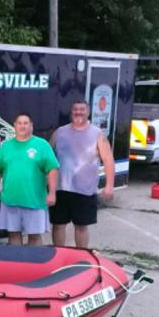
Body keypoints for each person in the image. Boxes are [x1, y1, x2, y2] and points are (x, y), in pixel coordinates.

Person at [49, 101, 115, 248]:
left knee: (81, 226)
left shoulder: (97, 134)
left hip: (85, 190)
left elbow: (108, 161)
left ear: (88, 112)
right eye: (75, 109)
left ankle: (80, 258)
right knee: (58, 225)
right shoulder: (59, 132)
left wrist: (109, 186)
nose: (78, 112)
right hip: (61, 189)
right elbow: (46, 157)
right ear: (71, 112)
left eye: (82, 110)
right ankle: (59, 255)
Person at [0, 113, 59, 246]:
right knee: (13, 234)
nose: (22, 126)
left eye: (26, 123)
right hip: (10, 200)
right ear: (14, 126)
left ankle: (35, 265)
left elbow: (52, 169)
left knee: (34, 236)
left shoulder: (41, 145)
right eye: (19, 123)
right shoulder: (6, 146)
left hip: (35, 201)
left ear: (31, 126)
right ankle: (17, 265)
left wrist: (52, 193)